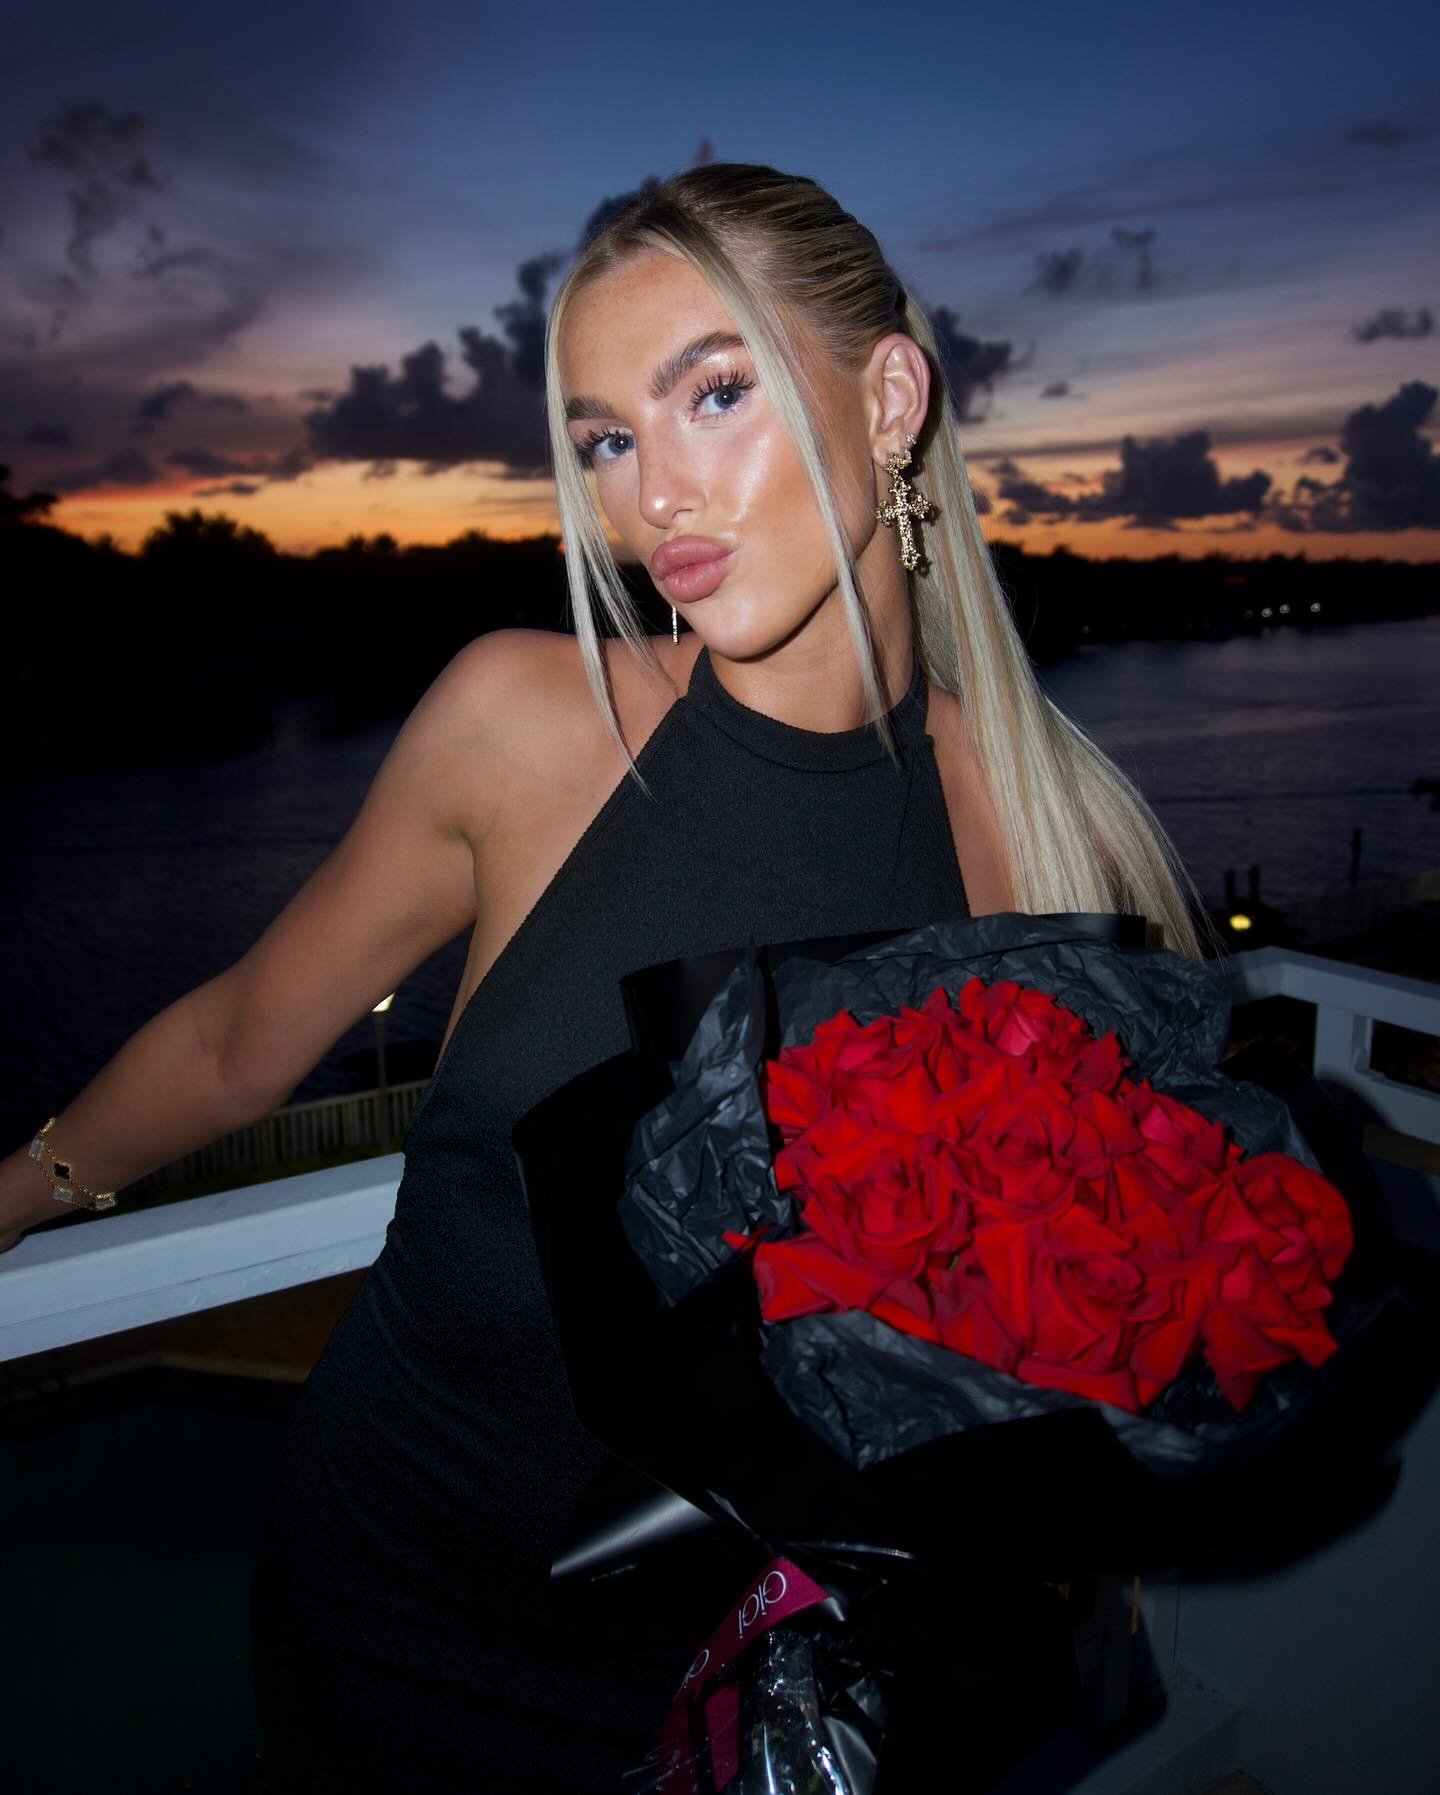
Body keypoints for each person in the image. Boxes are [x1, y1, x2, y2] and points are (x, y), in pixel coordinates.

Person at [0, 162, 1215, 1789]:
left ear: (891, 398)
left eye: (715, 394)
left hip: (744, 1667)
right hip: (394, 1582)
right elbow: (237, 1043)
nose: (657, 500)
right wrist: (16, 1191)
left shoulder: (1049, 842)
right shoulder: (524, 725)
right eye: (605, 440)